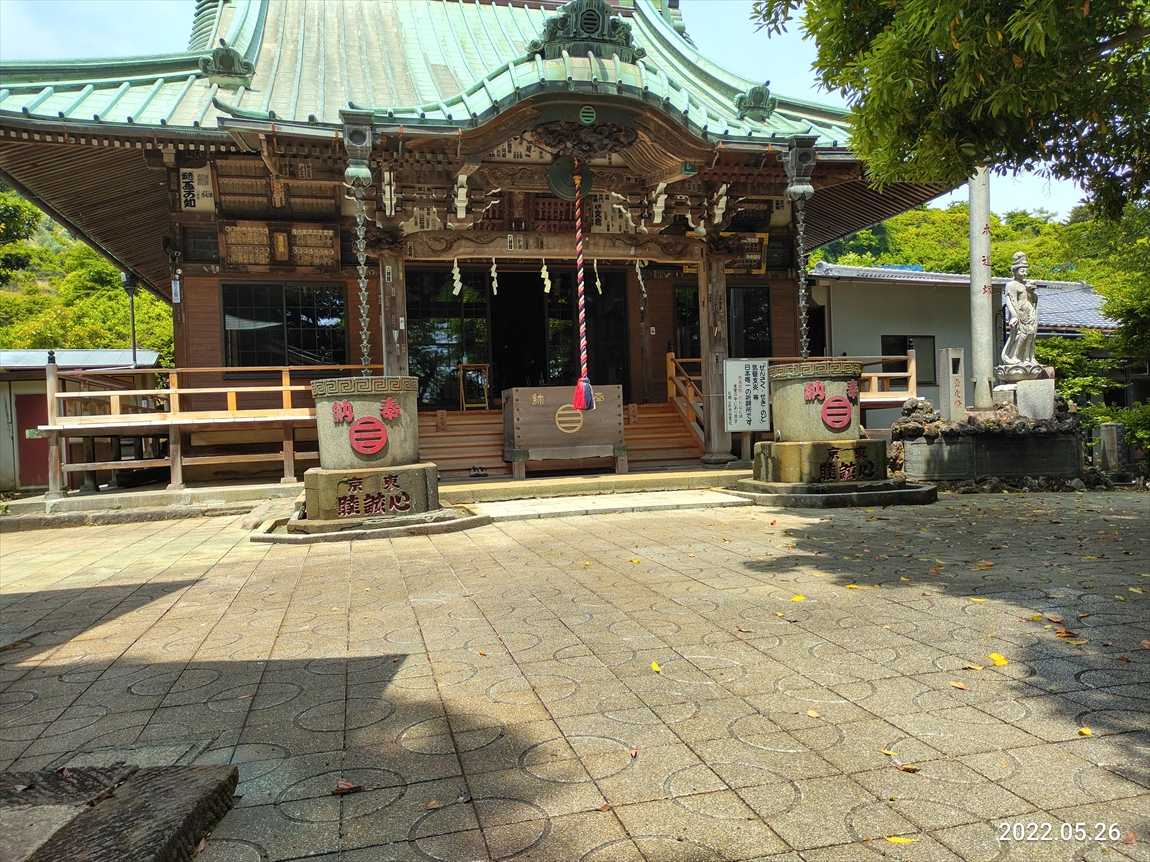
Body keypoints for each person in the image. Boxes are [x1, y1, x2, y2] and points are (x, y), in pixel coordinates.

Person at [1000, 251, 1039, 369]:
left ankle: (1028, 358)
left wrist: (1032, 292)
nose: (1025, 273)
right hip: (1019, 314)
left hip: (1030, 314)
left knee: (1031, 336)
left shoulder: (1027, 284)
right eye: (1022, 271)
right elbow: (1009, 301)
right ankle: (1014, 356)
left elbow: (1033, 300)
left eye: (1026, 271)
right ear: (1015, 271)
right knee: (1021, 335)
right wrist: (1013, 315)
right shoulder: (1011, 285)